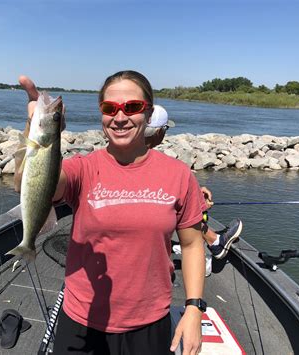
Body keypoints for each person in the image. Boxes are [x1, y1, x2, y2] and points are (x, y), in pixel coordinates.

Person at [17, 71, 206, 355]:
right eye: (109, 108)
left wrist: (193, 309)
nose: (120, 117)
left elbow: (192, 245)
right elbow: (31, 183)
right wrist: (38, 128)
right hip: (82, 319)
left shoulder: (179, 175)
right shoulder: (83, 168)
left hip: (149, 321)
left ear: (149, 112)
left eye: (131, 107)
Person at [144, 106, 243, 260]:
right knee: (186, 209)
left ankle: (212, 240)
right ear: (159, 132)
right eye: (166, 129)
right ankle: (214, 242)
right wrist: (196, 203)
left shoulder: (134, 157)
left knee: (186, 202)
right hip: (147, 230)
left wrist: (194, 192)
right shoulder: (162, 164)